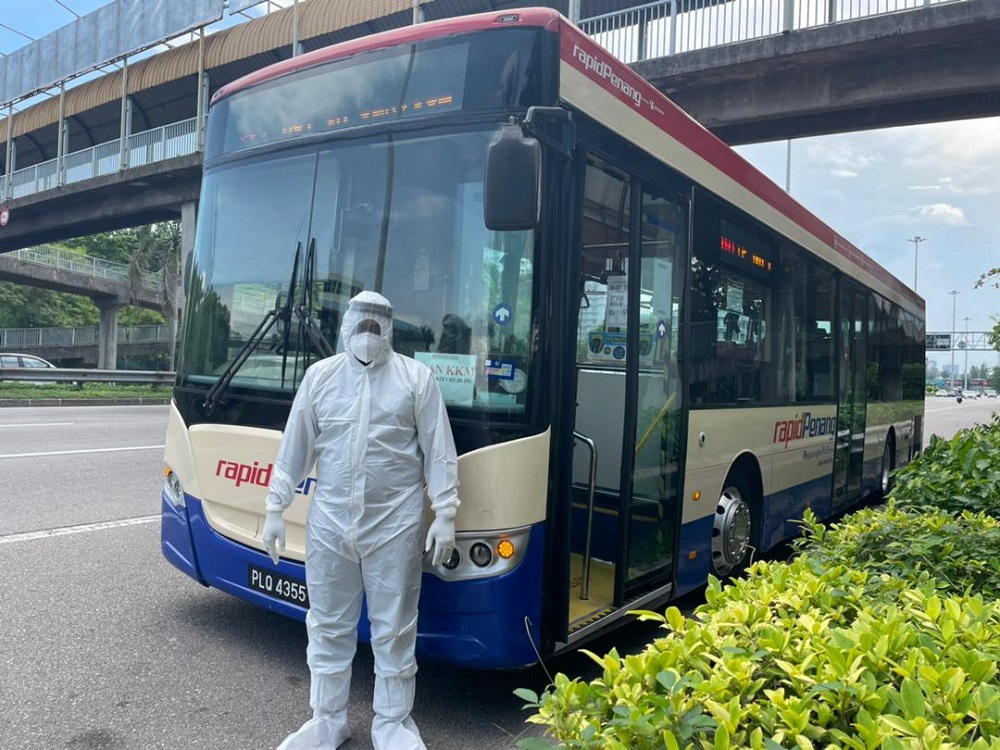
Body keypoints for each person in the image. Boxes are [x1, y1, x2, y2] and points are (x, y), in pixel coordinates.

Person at [261, 290, 460, 750]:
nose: (367, 333)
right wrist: (275, 507)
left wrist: (446, 511)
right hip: (330, 521)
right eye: (361, 323)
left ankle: (392, 722)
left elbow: (439, 450)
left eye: (377, 324)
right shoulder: (320, 377)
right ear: (346, 325)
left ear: (389, 329)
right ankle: (327, 719)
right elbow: (294, 449)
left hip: (396, 523)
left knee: (394, 626)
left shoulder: (416, 379)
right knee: (328, 622)